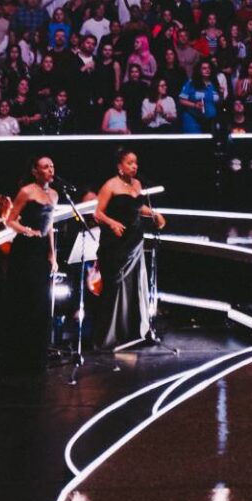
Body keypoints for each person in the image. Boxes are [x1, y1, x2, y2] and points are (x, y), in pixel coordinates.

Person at [91, 148, 165, 351]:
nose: (135, 166)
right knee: (115, 287)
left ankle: (132, 332)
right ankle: (108, 337)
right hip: (115, 244)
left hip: (134, 241)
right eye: (130, 163)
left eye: (136, 163)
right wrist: (112, 223)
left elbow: (137, 207)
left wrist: (154, 214)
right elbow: (97, 213)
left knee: (133, 286)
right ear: (119, 166)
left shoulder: (138, 184)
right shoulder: (110, 185)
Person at [1, 155, 59, 372]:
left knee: (41, 301)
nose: (50, 170)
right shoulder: (27, 191)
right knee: (26, 300)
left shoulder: (54, 194)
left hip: (42, 249)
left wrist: (53, 254)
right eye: (45, 167)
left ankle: (37, 356)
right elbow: (10, 220)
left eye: (52, 166)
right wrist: (26, 231)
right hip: (25, 250)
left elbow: (50, 225)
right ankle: (19, 357)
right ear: (35, 171)